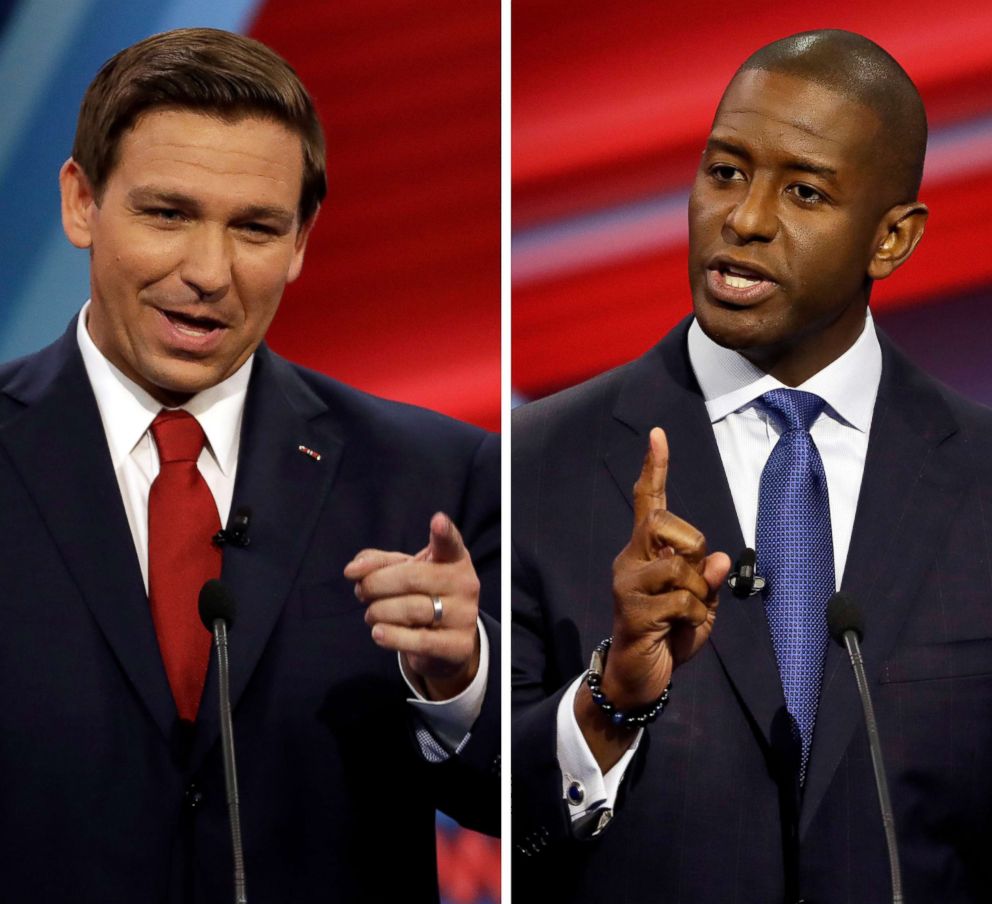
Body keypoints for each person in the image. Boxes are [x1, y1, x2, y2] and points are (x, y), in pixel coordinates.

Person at [0, 28, 499, 902]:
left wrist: (459, 687)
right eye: (167, 213)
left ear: (303, 241)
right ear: (81, 203)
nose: (208, 272)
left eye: (256, 229)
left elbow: (527, 807)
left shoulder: (436, 480)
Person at [512, 29, 992, 903]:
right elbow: (486, 819)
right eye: (725, 172)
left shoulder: (982, 480)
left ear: (892, 240)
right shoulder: (533, 466)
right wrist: (608, 705)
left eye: (803, 191)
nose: (745, 219)